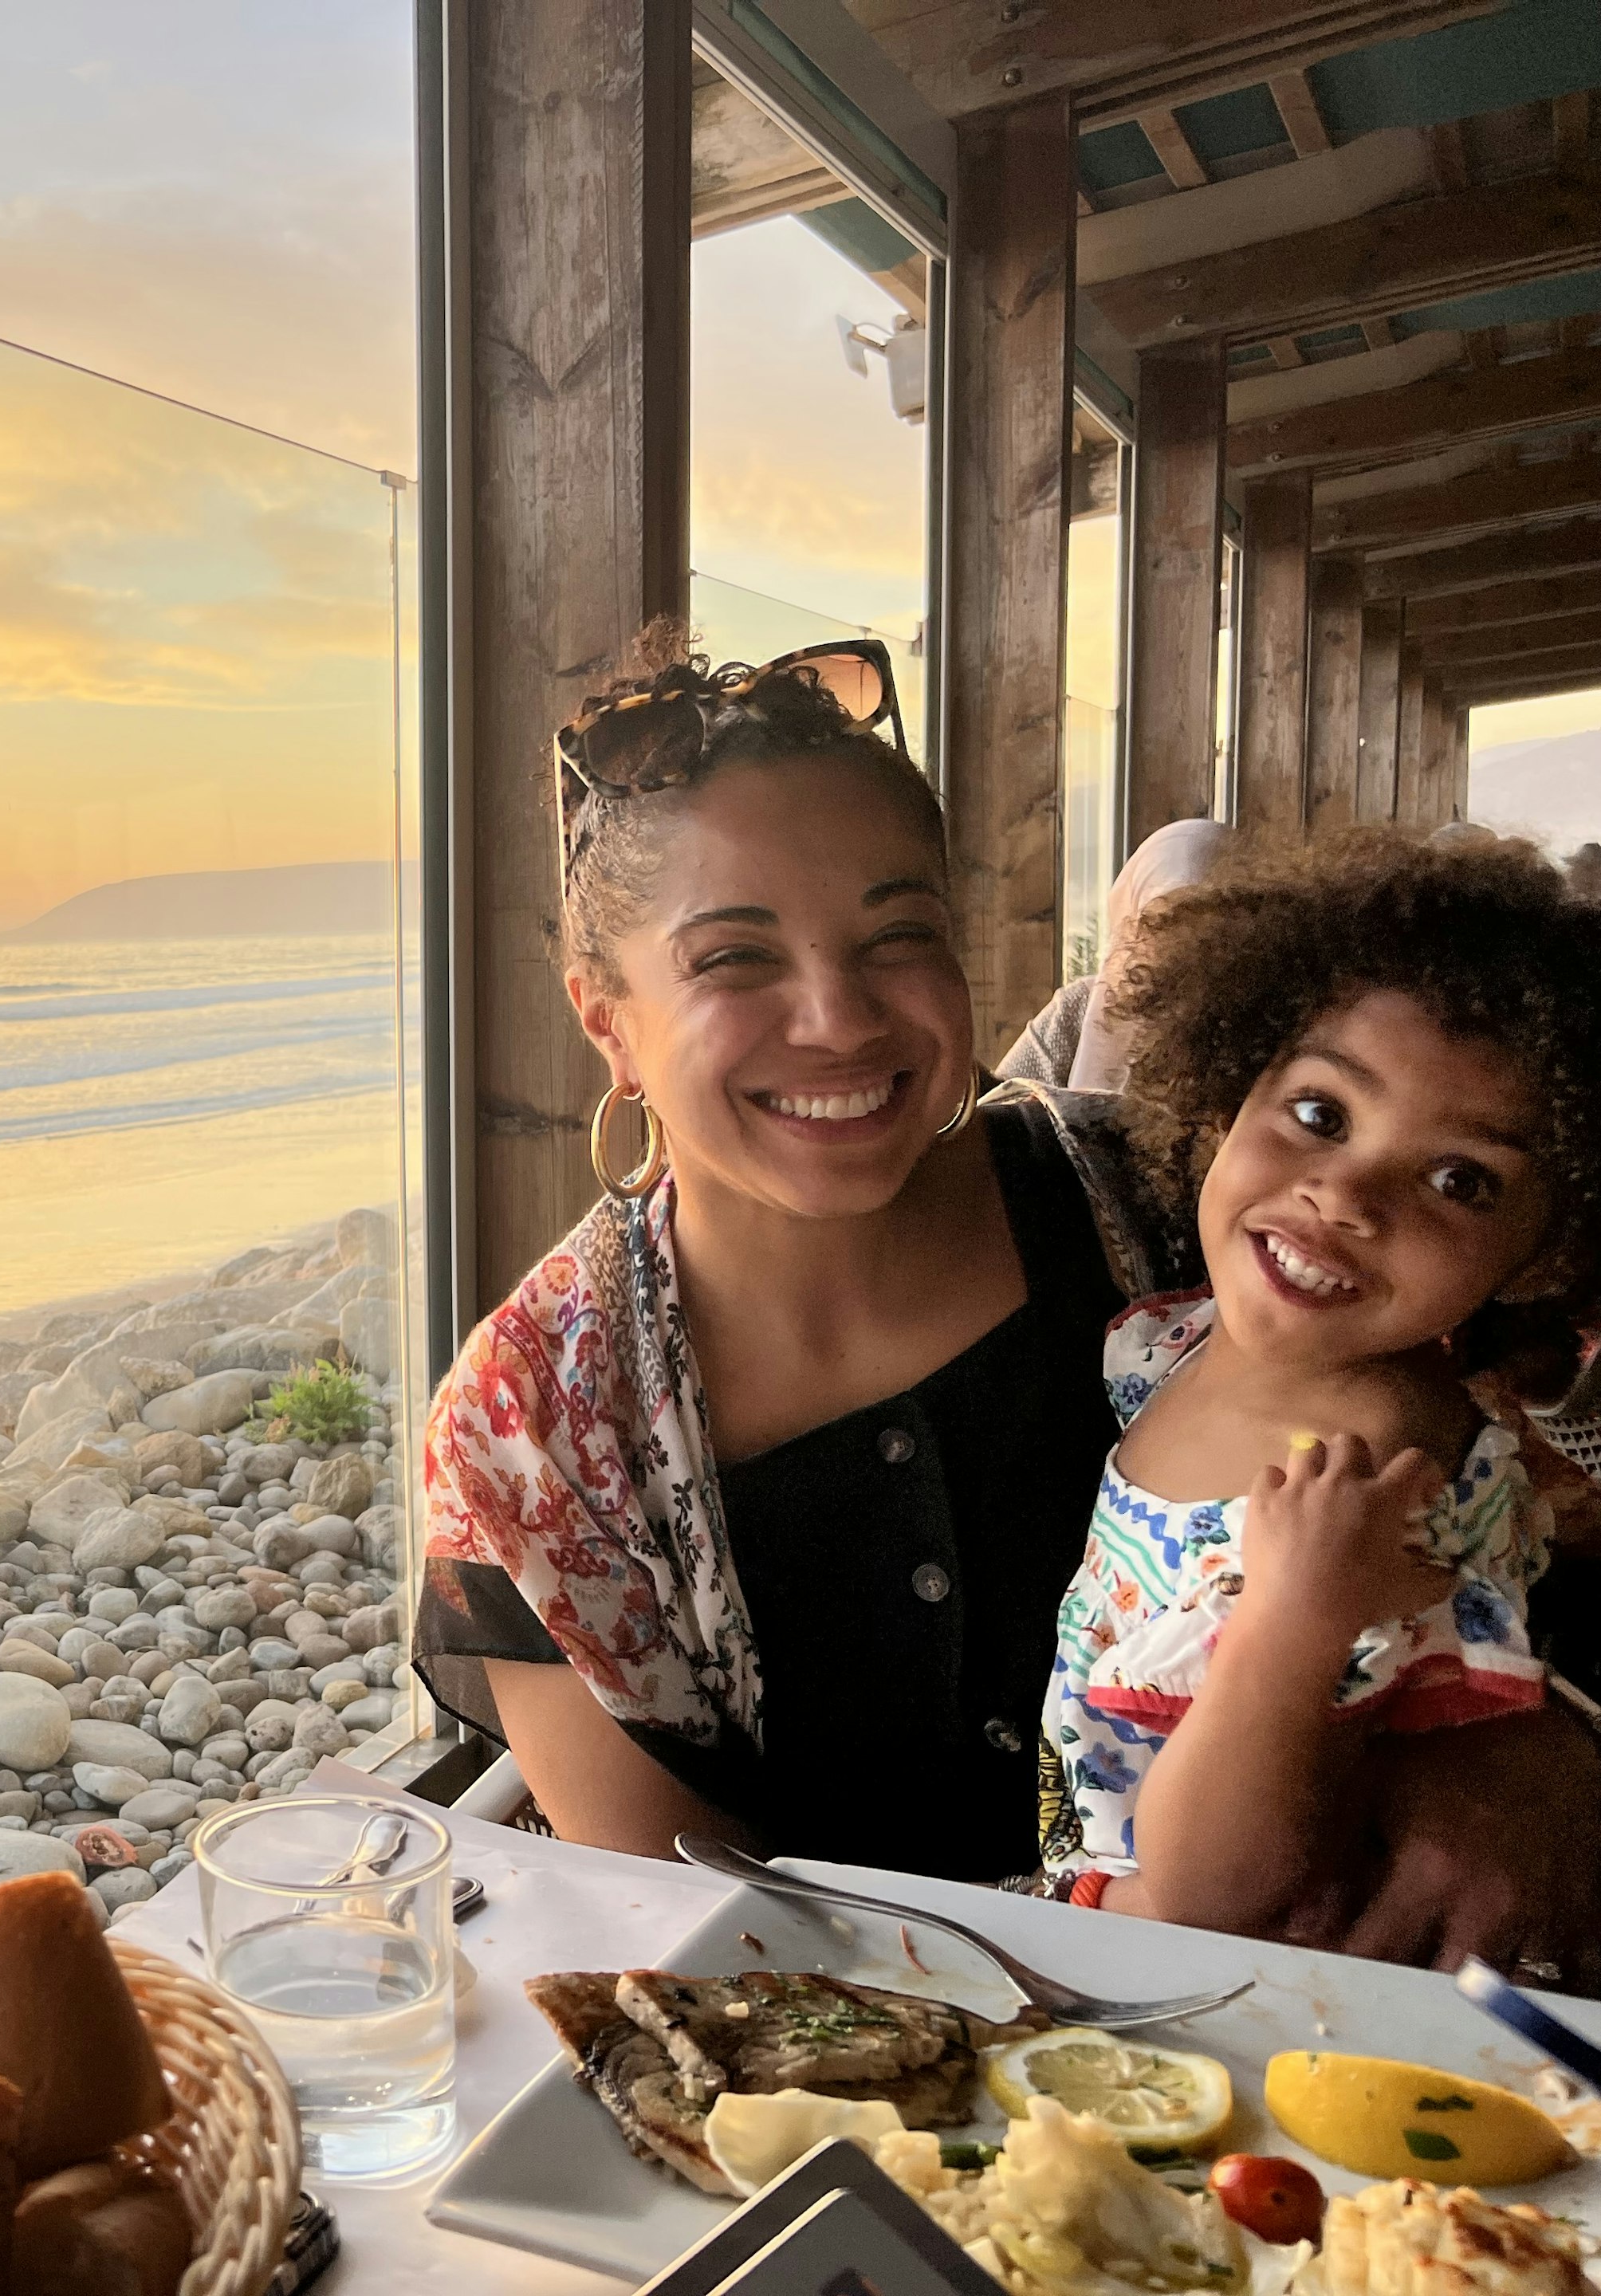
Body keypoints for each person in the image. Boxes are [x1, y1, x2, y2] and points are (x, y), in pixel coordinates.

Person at [415, 630, 1601, 1982]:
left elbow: (1515, 1522)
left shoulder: (1184, 1210)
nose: (839, 1015)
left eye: (897, 933)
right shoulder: (533, 1429)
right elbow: (675, 1926)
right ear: (608, 1023)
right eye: (735, 958)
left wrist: (1549, 1749)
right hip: (869, 2096)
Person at [1038, 831, 1601, 1935]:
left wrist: (1291, 1627)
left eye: (1458, 1179)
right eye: (1320, 1114)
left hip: (1208, 1985)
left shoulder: (1371, 1501)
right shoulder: (1177, 1346)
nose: (1343, 1193)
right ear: (1231, 1086)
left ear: (1544, 1255)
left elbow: (1215, 1891)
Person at [998, 817, 1230, 1094]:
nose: (1181, 940)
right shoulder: (1077, 1012)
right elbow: (998, 1111)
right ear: (1129, 923)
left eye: (1205, 921)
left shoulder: (1269, 1036)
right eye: (1160, 920)